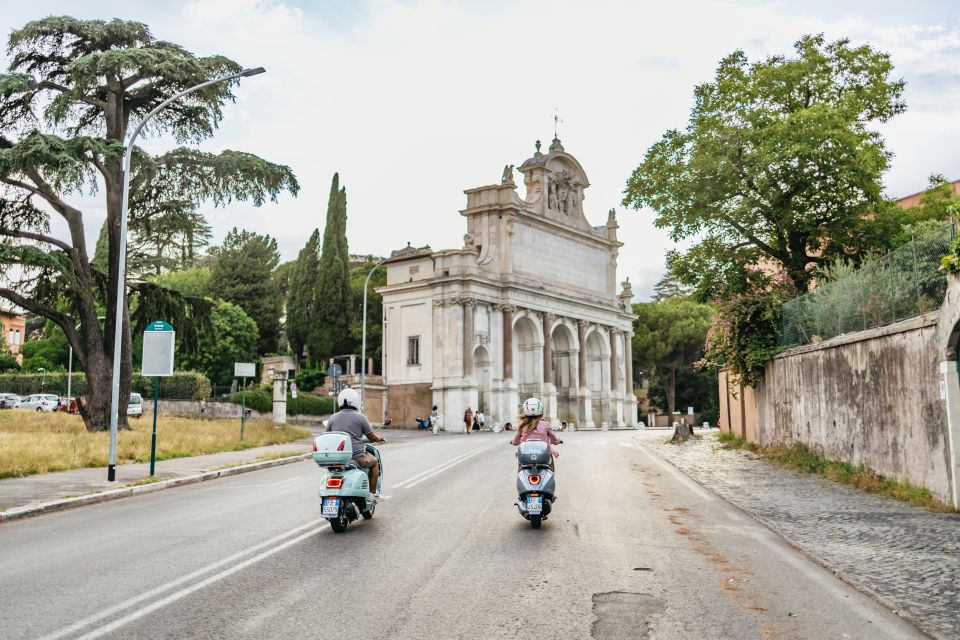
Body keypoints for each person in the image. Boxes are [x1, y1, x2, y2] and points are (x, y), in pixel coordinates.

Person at [324, 388, 385, 498]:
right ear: (356, 401)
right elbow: (371, 437)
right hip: (357, 456)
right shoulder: (361, 417)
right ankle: (372, 493)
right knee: (375, 462)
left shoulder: (332, 417)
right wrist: (379, 438)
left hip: (337, 458)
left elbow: (327, 436)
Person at [511, 397, 561, 471]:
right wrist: (557, 441)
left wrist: (514, 442)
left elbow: (515, 442)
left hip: (525, 456)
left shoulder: (522, 426)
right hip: (543, 456)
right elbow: (554, 440)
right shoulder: (546, 424)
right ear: (541, 411)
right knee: (549, 467)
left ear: (525, 411)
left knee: (521, 468)